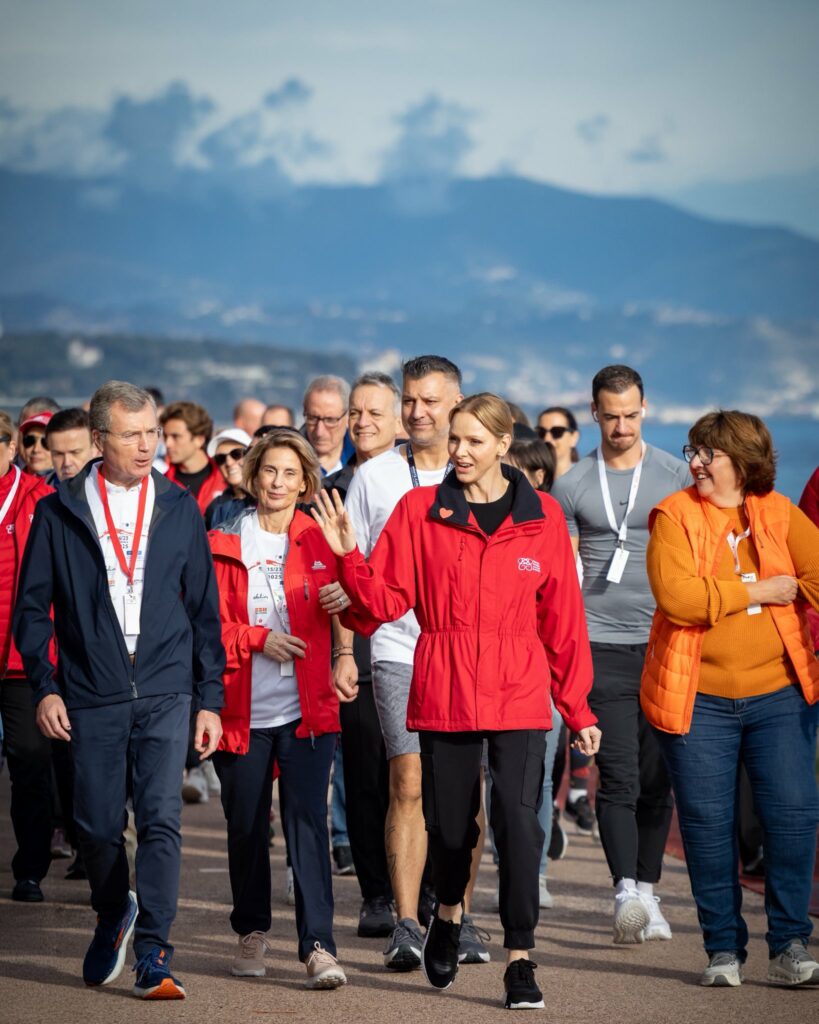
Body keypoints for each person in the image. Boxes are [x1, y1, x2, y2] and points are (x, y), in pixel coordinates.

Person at [313, 392, 600, 1009]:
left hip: (521, 692)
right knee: (449, 830)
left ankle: (520, 958)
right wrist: (346, 554)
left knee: (520, 826)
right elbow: (381, 605)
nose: (460, 451)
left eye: (474, 441)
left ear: (504, 445)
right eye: (456, 439)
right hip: (444, 687)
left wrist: (578, 709)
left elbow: (564, 622)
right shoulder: (421, 510)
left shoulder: (543, 516)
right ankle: (445, 914)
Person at [14, 380, 225, 999]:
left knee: (161, 818)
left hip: (166, 689)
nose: (145, 446)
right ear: (100, 439)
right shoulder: (59, 511)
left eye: (152, 433)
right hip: (91, 692)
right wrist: (45, 687)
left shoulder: (178, 505)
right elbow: (31, 611)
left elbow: (204, 611)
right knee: (98, 827)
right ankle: (113, 913)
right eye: (130, 435)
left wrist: (209, 697)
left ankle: (155, 951)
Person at [643, 410, 819, 988]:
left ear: (742, 461)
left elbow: (815, 575)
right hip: (699, 699)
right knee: (706, 824)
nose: (694, 462)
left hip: (780, 695)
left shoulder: (779, 511)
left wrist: (791, 594)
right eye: (692, 450)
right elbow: (678, 597)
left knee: (792, 819)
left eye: (708, 454)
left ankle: (790, 943)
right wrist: (763, 589)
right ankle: (723, 948)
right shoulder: (674, 516)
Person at [343, 355, 492, 971]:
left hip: (467, 654)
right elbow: (344, 566)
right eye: (409, 400)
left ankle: (457, 916)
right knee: (407, 781)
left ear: (457, 403)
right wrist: (339, 651)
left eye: (430, 401)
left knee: (466, 796)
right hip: (398, 646)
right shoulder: (374, 477)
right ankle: (406, 922)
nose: (417, 412)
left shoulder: (487, 474)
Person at [551, 365, 690, 944]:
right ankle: (625, 892)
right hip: (598, 640)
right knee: (620, 776)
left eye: (631, 414)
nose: (622, 425)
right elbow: (560, 572)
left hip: (665, 641)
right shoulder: (573, 484)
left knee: (659, 779)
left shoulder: (675, 474)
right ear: (594, 412)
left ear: (645, 409)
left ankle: (651, 894)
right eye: (611, 415)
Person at [208, 430, 347, 989]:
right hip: (241, 712)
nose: (279, 483)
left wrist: (343, 650)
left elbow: (349, 603)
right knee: (245, 825)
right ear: (251, 474)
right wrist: (256, 638)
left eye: (291, 474)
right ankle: (251, 930)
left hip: (306, 709)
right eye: (269, 471)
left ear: (306, 482)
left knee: (307, 824)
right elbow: (206, 629)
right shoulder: (221, 541)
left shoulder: (319, 540)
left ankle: (317, 946)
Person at [325, 372, 403, 939]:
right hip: (356, 640)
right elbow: (330, 582)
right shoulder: (330, 486)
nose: (362, 422)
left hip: (412, 641)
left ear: (400, 421)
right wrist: (342, 649)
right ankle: (375, 894)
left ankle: (421, 891)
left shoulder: (422, 478)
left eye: (375, 412)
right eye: (355, 411)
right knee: (365, 775)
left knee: (414, 774)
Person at [0, 410, 55, 902]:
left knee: (30, 763)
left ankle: (31, 867)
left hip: (22, 660)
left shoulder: (41, 498)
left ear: (11, 447)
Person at [161, 400, 225, 515]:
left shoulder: (225, 479)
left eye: (176, 436)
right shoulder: (160, 486)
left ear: (199, 440)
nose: (168, 443)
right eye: (166, 436)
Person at [302, 376, 354, 475]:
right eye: (312, 418)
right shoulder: (288, 461)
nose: (319, 432)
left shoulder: (365, 460)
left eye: (330, 420)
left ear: (348, 417)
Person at [203, 427, 253, 530]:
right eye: (221, 458)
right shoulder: (215, 507)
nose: (229, 463)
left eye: (236, 454)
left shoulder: (268, 500)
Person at [45, 408, 96, 482]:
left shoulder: (115, 490)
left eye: (75, 452)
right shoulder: (38, 491)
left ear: (95, 448)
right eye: (58, 454)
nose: (67, 463)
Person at [536, 407, 580, 479]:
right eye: (541, 432)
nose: (547, 439)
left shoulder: (587, 480)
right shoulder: (529, 481)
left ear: (574, 437)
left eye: (557, 432)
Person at [18, 411, 55, 479]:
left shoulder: (70, 487)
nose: (36, 449)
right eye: (29, 440)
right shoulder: (10, 484)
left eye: (46, 442)